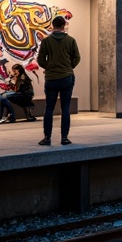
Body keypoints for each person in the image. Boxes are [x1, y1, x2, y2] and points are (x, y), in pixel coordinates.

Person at [37, 15, 80, 146]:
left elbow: (40, 60)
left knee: (49, 108)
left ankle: (47, 138)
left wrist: (49, 67)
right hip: (66, 78)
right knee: (65, 108)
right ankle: (64, 138)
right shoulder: (71, 40)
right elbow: (77, 58)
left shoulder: (46, 41)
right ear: (63, 26)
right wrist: (68, 67)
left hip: (51, 79)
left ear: (53, 25)